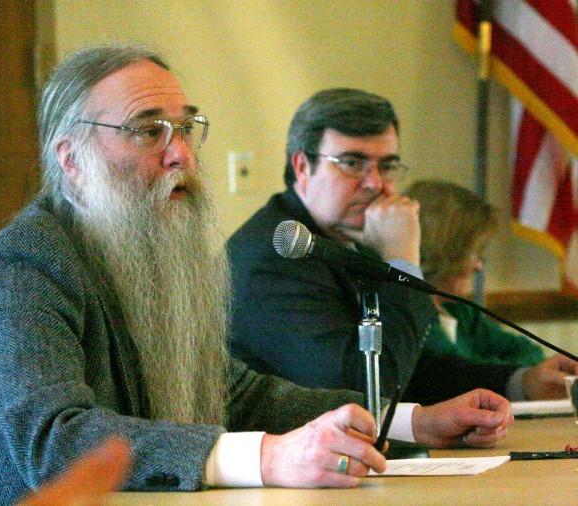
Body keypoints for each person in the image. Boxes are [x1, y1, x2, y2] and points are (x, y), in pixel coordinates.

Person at [0, 47, 513, 505]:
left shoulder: (144, 254)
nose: (181, 155)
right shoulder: (21, 270)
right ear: (71, 158)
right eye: (149, 131)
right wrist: (270, 457)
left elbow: (235, 392)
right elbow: (55, 439)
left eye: (186, 128)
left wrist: (406, 419)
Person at [228, 88, 577, 405]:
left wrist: (522, 383)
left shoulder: (353, 240)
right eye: (352, 163)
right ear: (303, 166)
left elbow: (414, 367)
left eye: (388, 166)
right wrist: (404, 261)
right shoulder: (273, 257)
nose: (375, 184)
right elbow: (361, 389)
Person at [405, 180, 545, 367]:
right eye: (474, 252)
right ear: (446, 249)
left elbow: (531, 353)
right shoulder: (411, 317)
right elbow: (460, 374)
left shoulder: (461, 312)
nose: (479, 266)